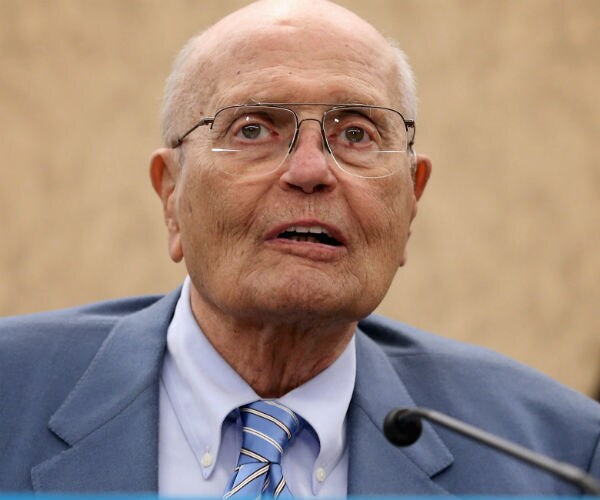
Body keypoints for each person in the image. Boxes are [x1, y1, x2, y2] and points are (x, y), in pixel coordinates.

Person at [1, 0, 598, 496]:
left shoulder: (554, 454)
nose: (311, 171)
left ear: (411, 200)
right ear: (171, 194)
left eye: (356, 133)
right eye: (253, 129)